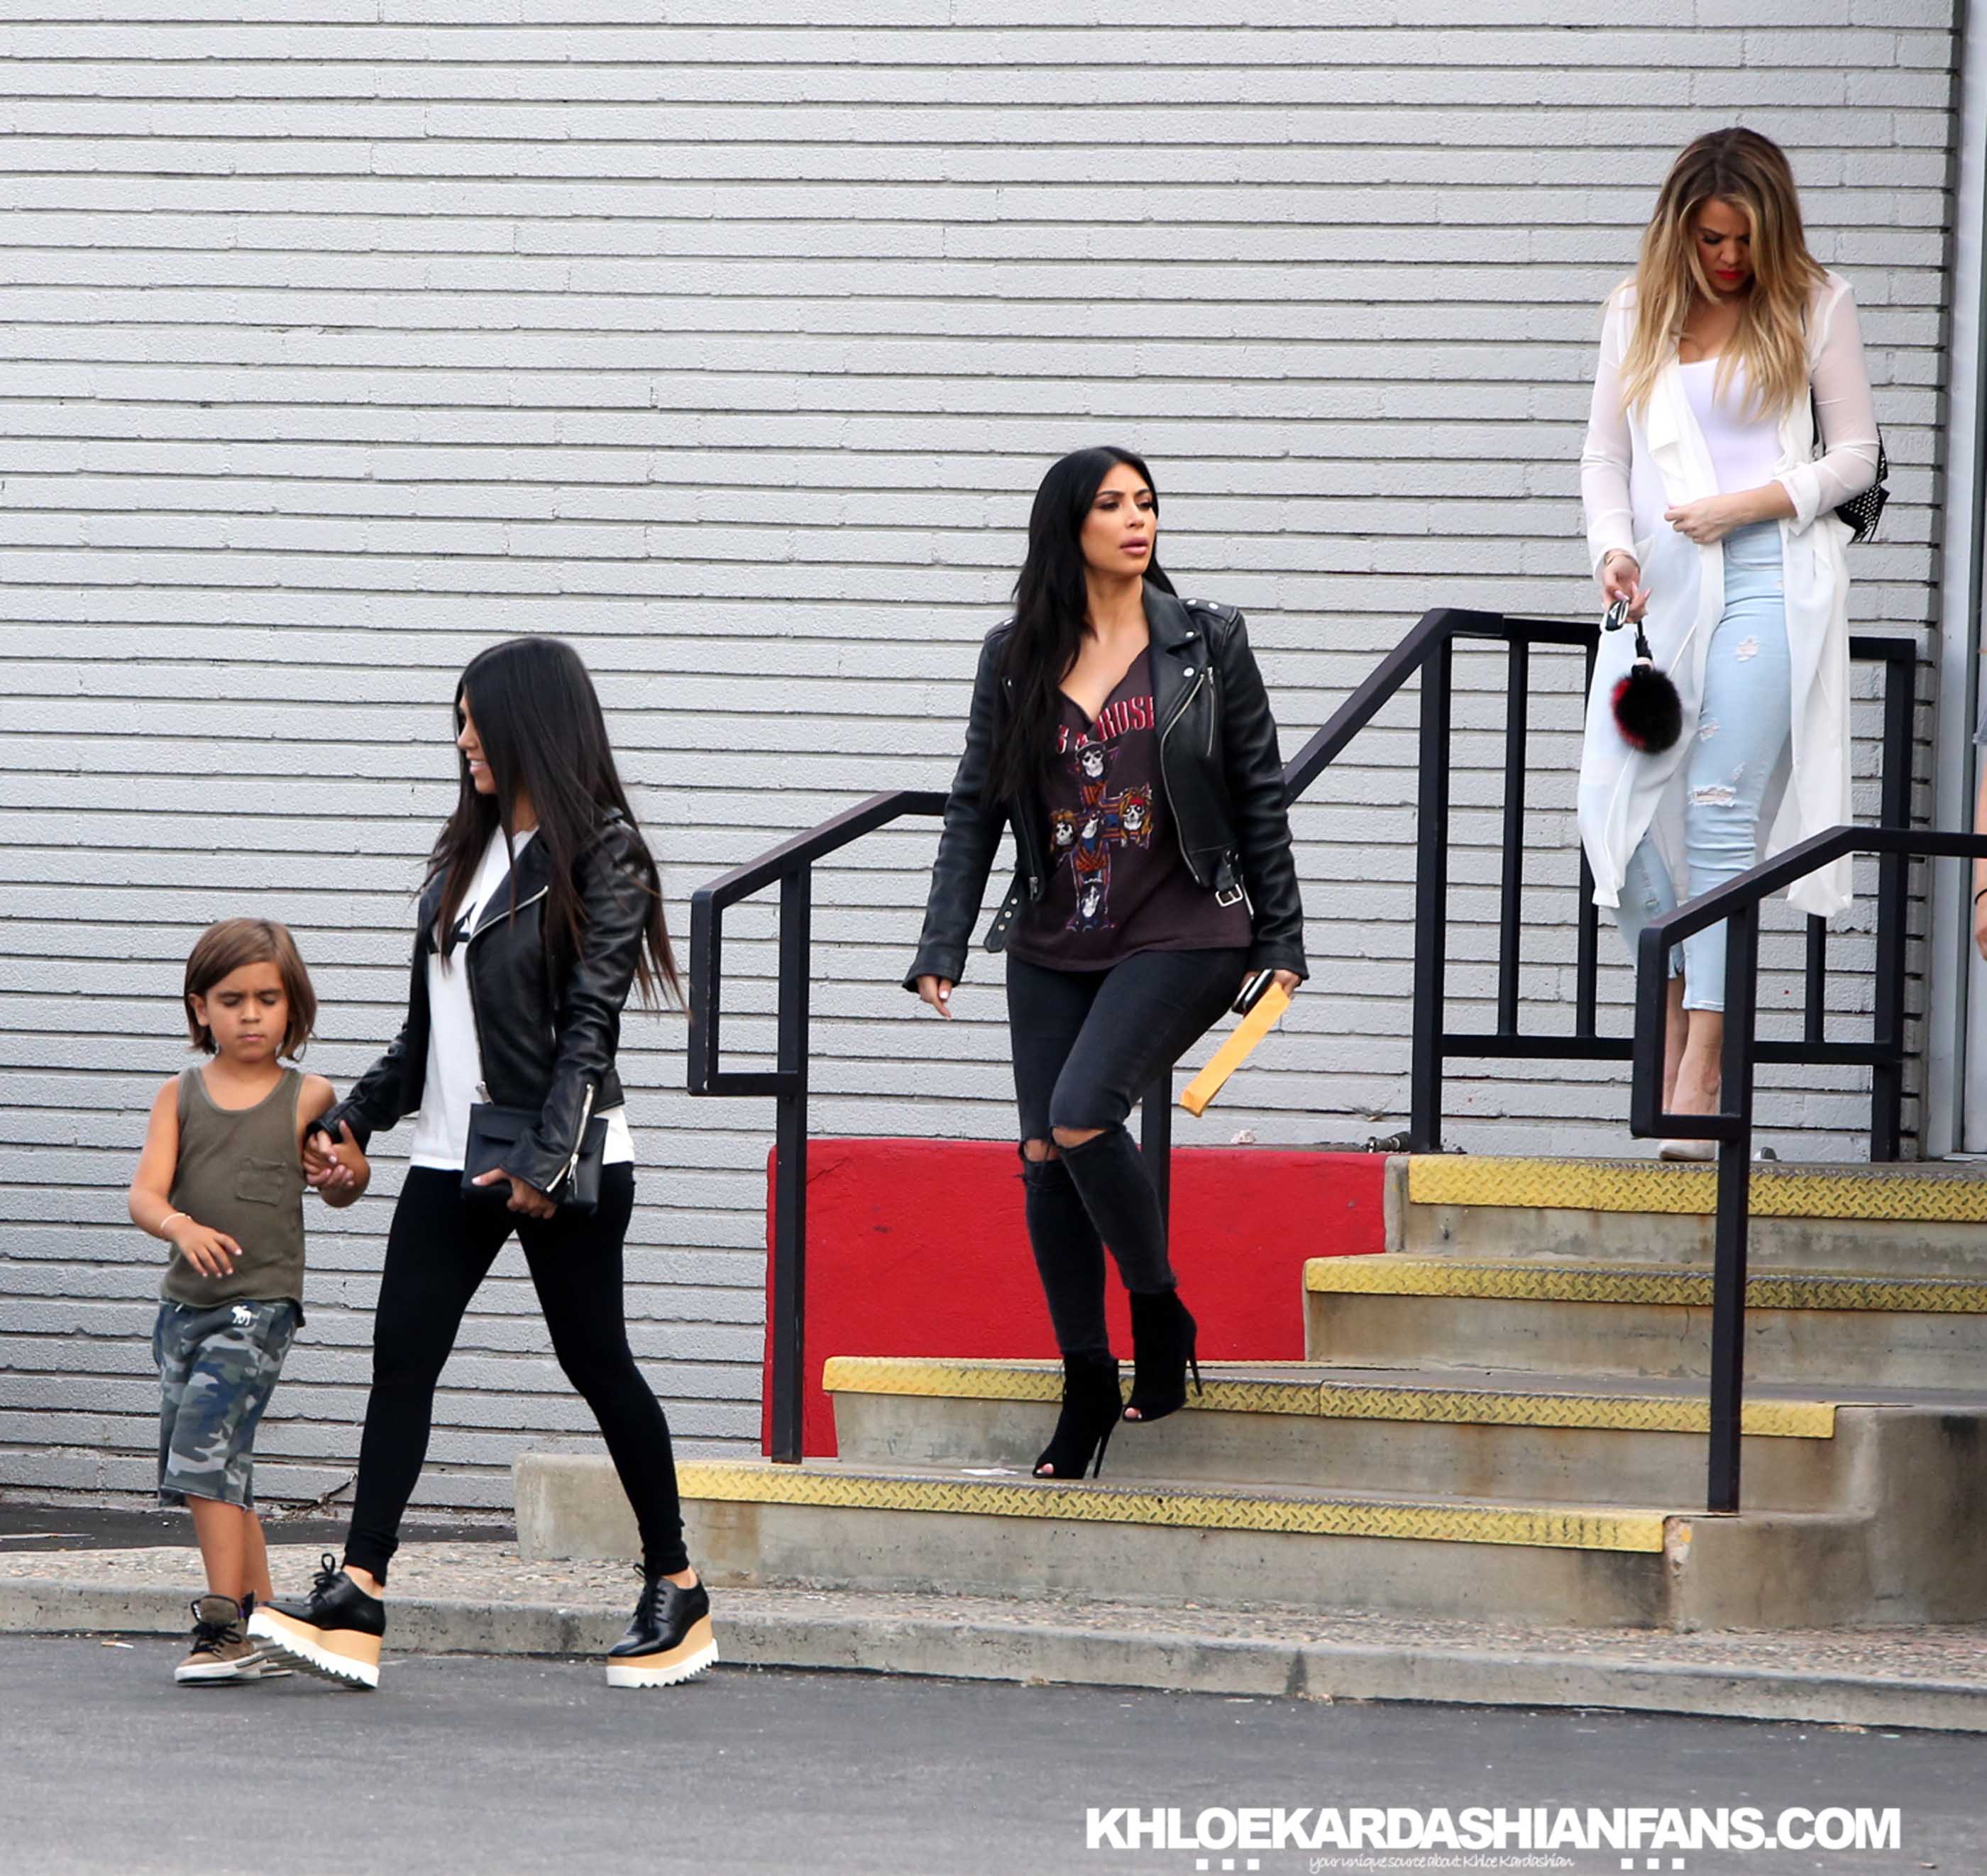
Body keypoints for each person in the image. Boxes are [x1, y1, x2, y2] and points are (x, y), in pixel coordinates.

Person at [248, 636, 715, 1692]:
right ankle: (359, 1596)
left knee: (597, 1363)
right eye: (457, 721)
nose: (462, 741)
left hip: (565, 1158)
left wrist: (549, 1165)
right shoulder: (464, 858)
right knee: (401, 1361)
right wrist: (357, 1121)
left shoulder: (605, 853)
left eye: (476, 721)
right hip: (450, 1154)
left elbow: (591, 1030)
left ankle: (676, 1586)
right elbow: (430, 1038)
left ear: (531, 725)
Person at [908, 446, 1306, 1481]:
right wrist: (942, 941)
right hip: (1051, 939)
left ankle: (1159, 1313)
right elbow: (976, 807)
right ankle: (1087, 1380)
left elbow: (1258, 790)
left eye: (1147, 503)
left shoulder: (1207, 642)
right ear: (1068, 527)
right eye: (1113, 505)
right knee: (1043, 1155)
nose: (1139, 520)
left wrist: (1283, 940)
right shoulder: (1015, 658)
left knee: (1083, 1112)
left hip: (1185, 928)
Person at [1576, 128, 1878, 1157]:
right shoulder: (1635, 310)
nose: (1727, 259)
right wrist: (1613, 550)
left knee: (1716, 811)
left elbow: (1856, 459)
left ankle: (1701, 1067)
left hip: (1768, 583)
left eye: (1745, 239)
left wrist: (1744, 506)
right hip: (1656, 597)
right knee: (1611, 825)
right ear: (1680, 230)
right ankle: (1668, 1006)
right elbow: (1604, 455)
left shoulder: (1815, 303)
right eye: (1710, 238)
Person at [127, 917, 371, 1684]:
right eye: (232, 999)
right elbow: (144, 1193)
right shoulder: (180, 1094)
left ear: (293, 1005)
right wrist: (180, 1225)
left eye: (268, 998)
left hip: (260, 1306)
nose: (251, 1014)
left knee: (201, 1443)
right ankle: (266, 1615)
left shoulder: (311, 1094)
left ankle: (221, 1624)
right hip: (183, 1310)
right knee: (219, 1465)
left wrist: (340, 1175)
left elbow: (346, 1180)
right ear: (201, 1008)